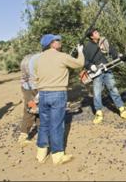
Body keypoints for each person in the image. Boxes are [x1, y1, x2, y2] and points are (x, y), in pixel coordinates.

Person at [34, 34, 84, 165]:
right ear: (52, 44)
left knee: (44, 124)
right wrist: (80, 51)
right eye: (57, 40)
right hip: (57, 93)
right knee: (57, 125)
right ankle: (57, 155)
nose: (60, 42)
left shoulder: (38, 59)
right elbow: (80, 63)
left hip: (43, 94)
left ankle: (41, 154)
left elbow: (36, 76)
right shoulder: (62, 56)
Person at [83, 28, 126, 125]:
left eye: (97, 31)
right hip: (96, 73)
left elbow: (112, 50)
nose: (98, 33)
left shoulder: (103, 41)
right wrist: (90, 66)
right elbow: (84, 61)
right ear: (91, 36)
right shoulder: (87, 47)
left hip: (107, 69)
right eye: (96, 32)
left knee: (114, 90)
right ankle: (98, 113)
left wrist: (118, 56)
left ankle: (122, 110)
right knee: (97, 93)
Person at [17, 52, 41, 147]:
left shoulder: (29, 59)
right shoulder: (37, 59)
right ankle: (22, 137)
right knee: (31, 111)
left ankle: (42, 132)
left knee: (38, 110)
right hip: (30, 90)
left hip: (30, 88)